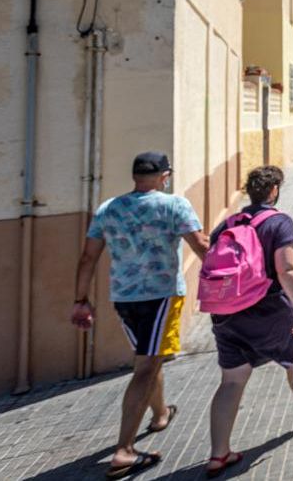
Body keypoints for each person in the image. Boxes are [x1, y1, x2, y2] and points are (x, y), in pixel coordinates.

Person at [71, 152, 208, 478]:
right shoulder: (174, 205)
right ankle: (124, 451)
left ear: (135, 176)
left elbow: (88, 257)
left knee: (149, 357)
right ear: (165, 175)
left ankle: (160, 413)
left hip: (124, 299)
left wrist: (80, 300)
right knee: (147, 366)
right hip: (160, 296)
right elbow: (201, 246)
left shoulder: (109, 208)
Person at [204, 165, 293, 476]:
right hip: (267, 309)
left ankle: (218, 453)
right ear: (274, 190)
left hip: (225, 313)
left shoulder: (225, 225)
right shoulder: (278, 222)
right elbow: (286, 269)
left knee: (232, 380)